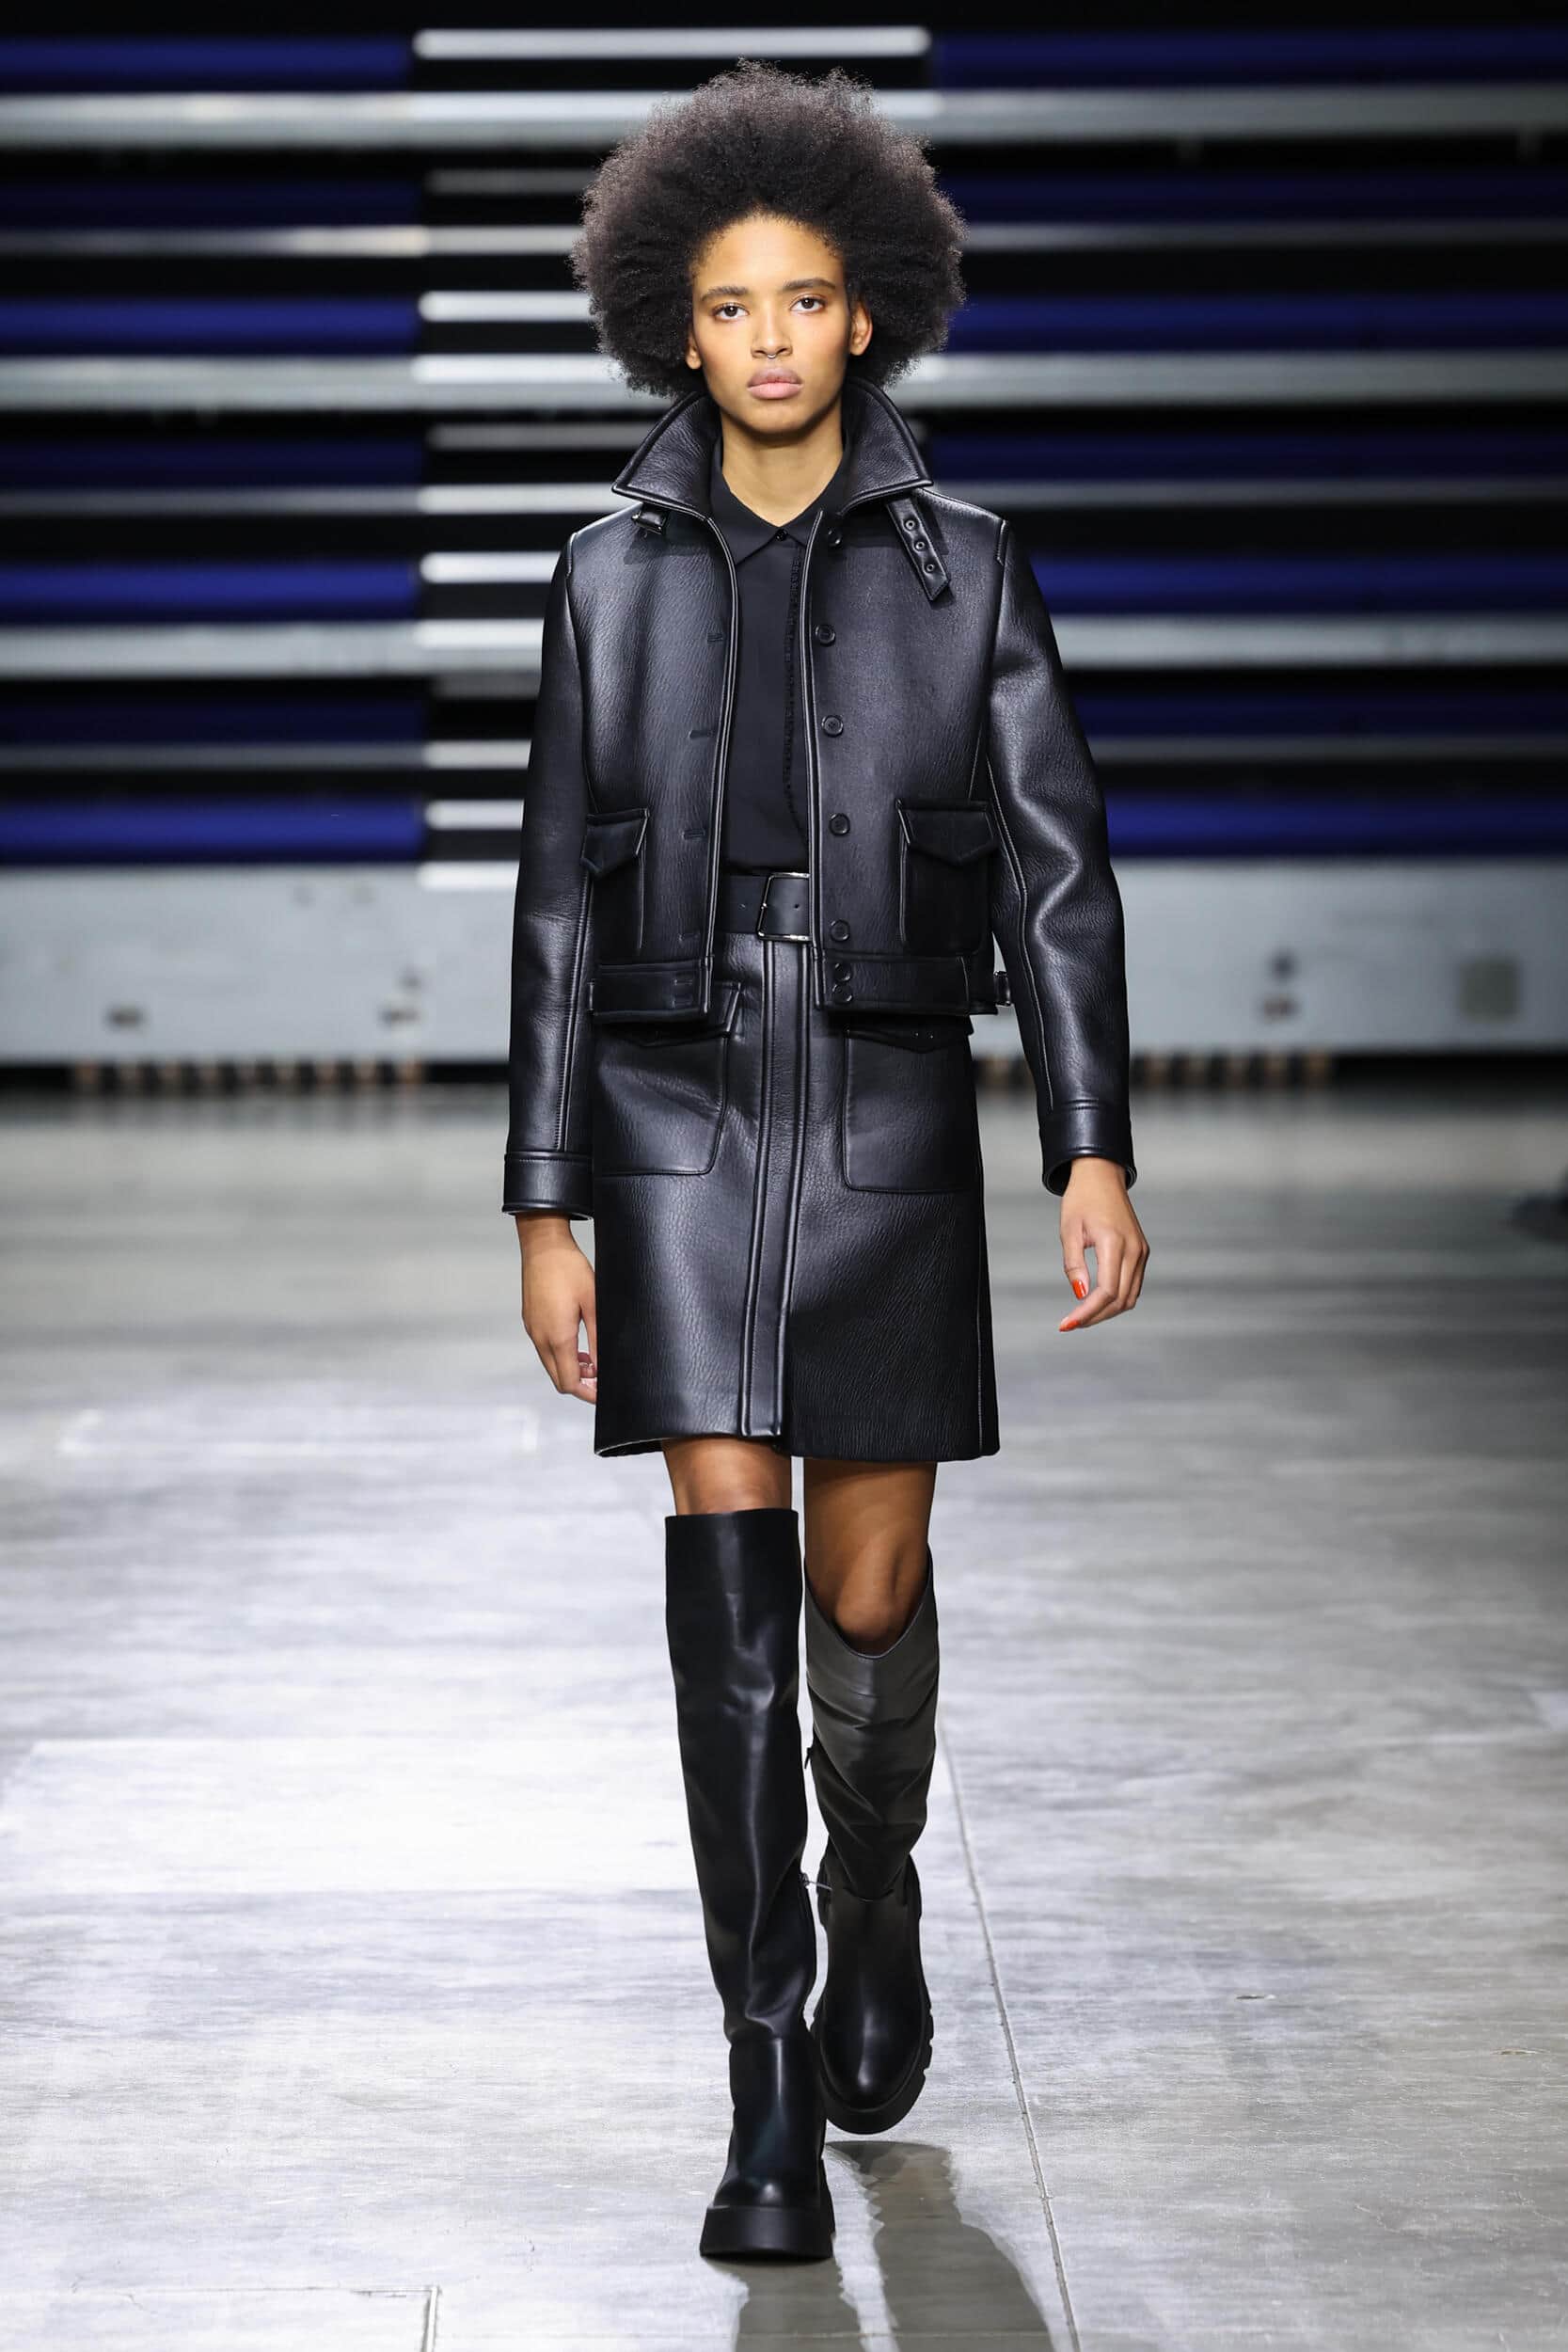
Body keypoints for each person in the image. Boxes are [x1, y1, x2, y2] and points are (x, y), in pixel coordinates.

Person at [502, 61, 1148, 2263]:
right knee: (733, 1587)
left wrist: (1087, 1145)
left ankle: (872, 1888)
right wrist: (543, 1201)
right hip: (673, 1103)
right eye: (729, 305)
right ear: (675, 335)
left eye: (802, 299)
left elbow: (1058, 879)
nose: (770, 337)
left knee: (868, 1587)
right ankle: (764, 2074)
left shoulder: (971, 570)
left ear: (865, 313)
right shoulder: (603, 576)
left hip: (884, 1095)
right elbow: (555, 910)